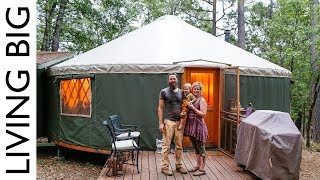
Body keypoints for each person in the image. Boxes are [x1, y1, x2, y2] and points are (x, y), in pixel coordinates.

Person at [158, 73, 188, 176]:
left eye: (174, 78)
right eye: (171, 79)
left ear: (177, 80)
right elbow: (160, 108)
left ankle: (179, 165)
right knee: (166, 146)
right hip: (168, 121)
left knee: (179, 146)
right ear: (168, 80)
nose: (172, 80)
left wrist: (183, 116)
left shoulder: (181, 92)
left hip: (179, 122)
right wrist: (161, 123)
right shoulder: (164, 92)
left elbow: (184, 106)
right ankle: (164, 167)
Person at [184, 82, 208, 176]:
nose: (196, 90)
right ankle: (198, 165)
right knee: (196, 148)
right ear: (192, 90)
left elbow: (203, 114)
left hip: (199, 127)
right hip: (192, 126)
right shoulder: (192, 99)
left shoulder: (202, 100)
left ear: (201, 90)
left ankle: (202, 169)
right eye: (194, 89)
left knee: (201, 148)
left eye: (198, 89)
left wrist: (193, 108)